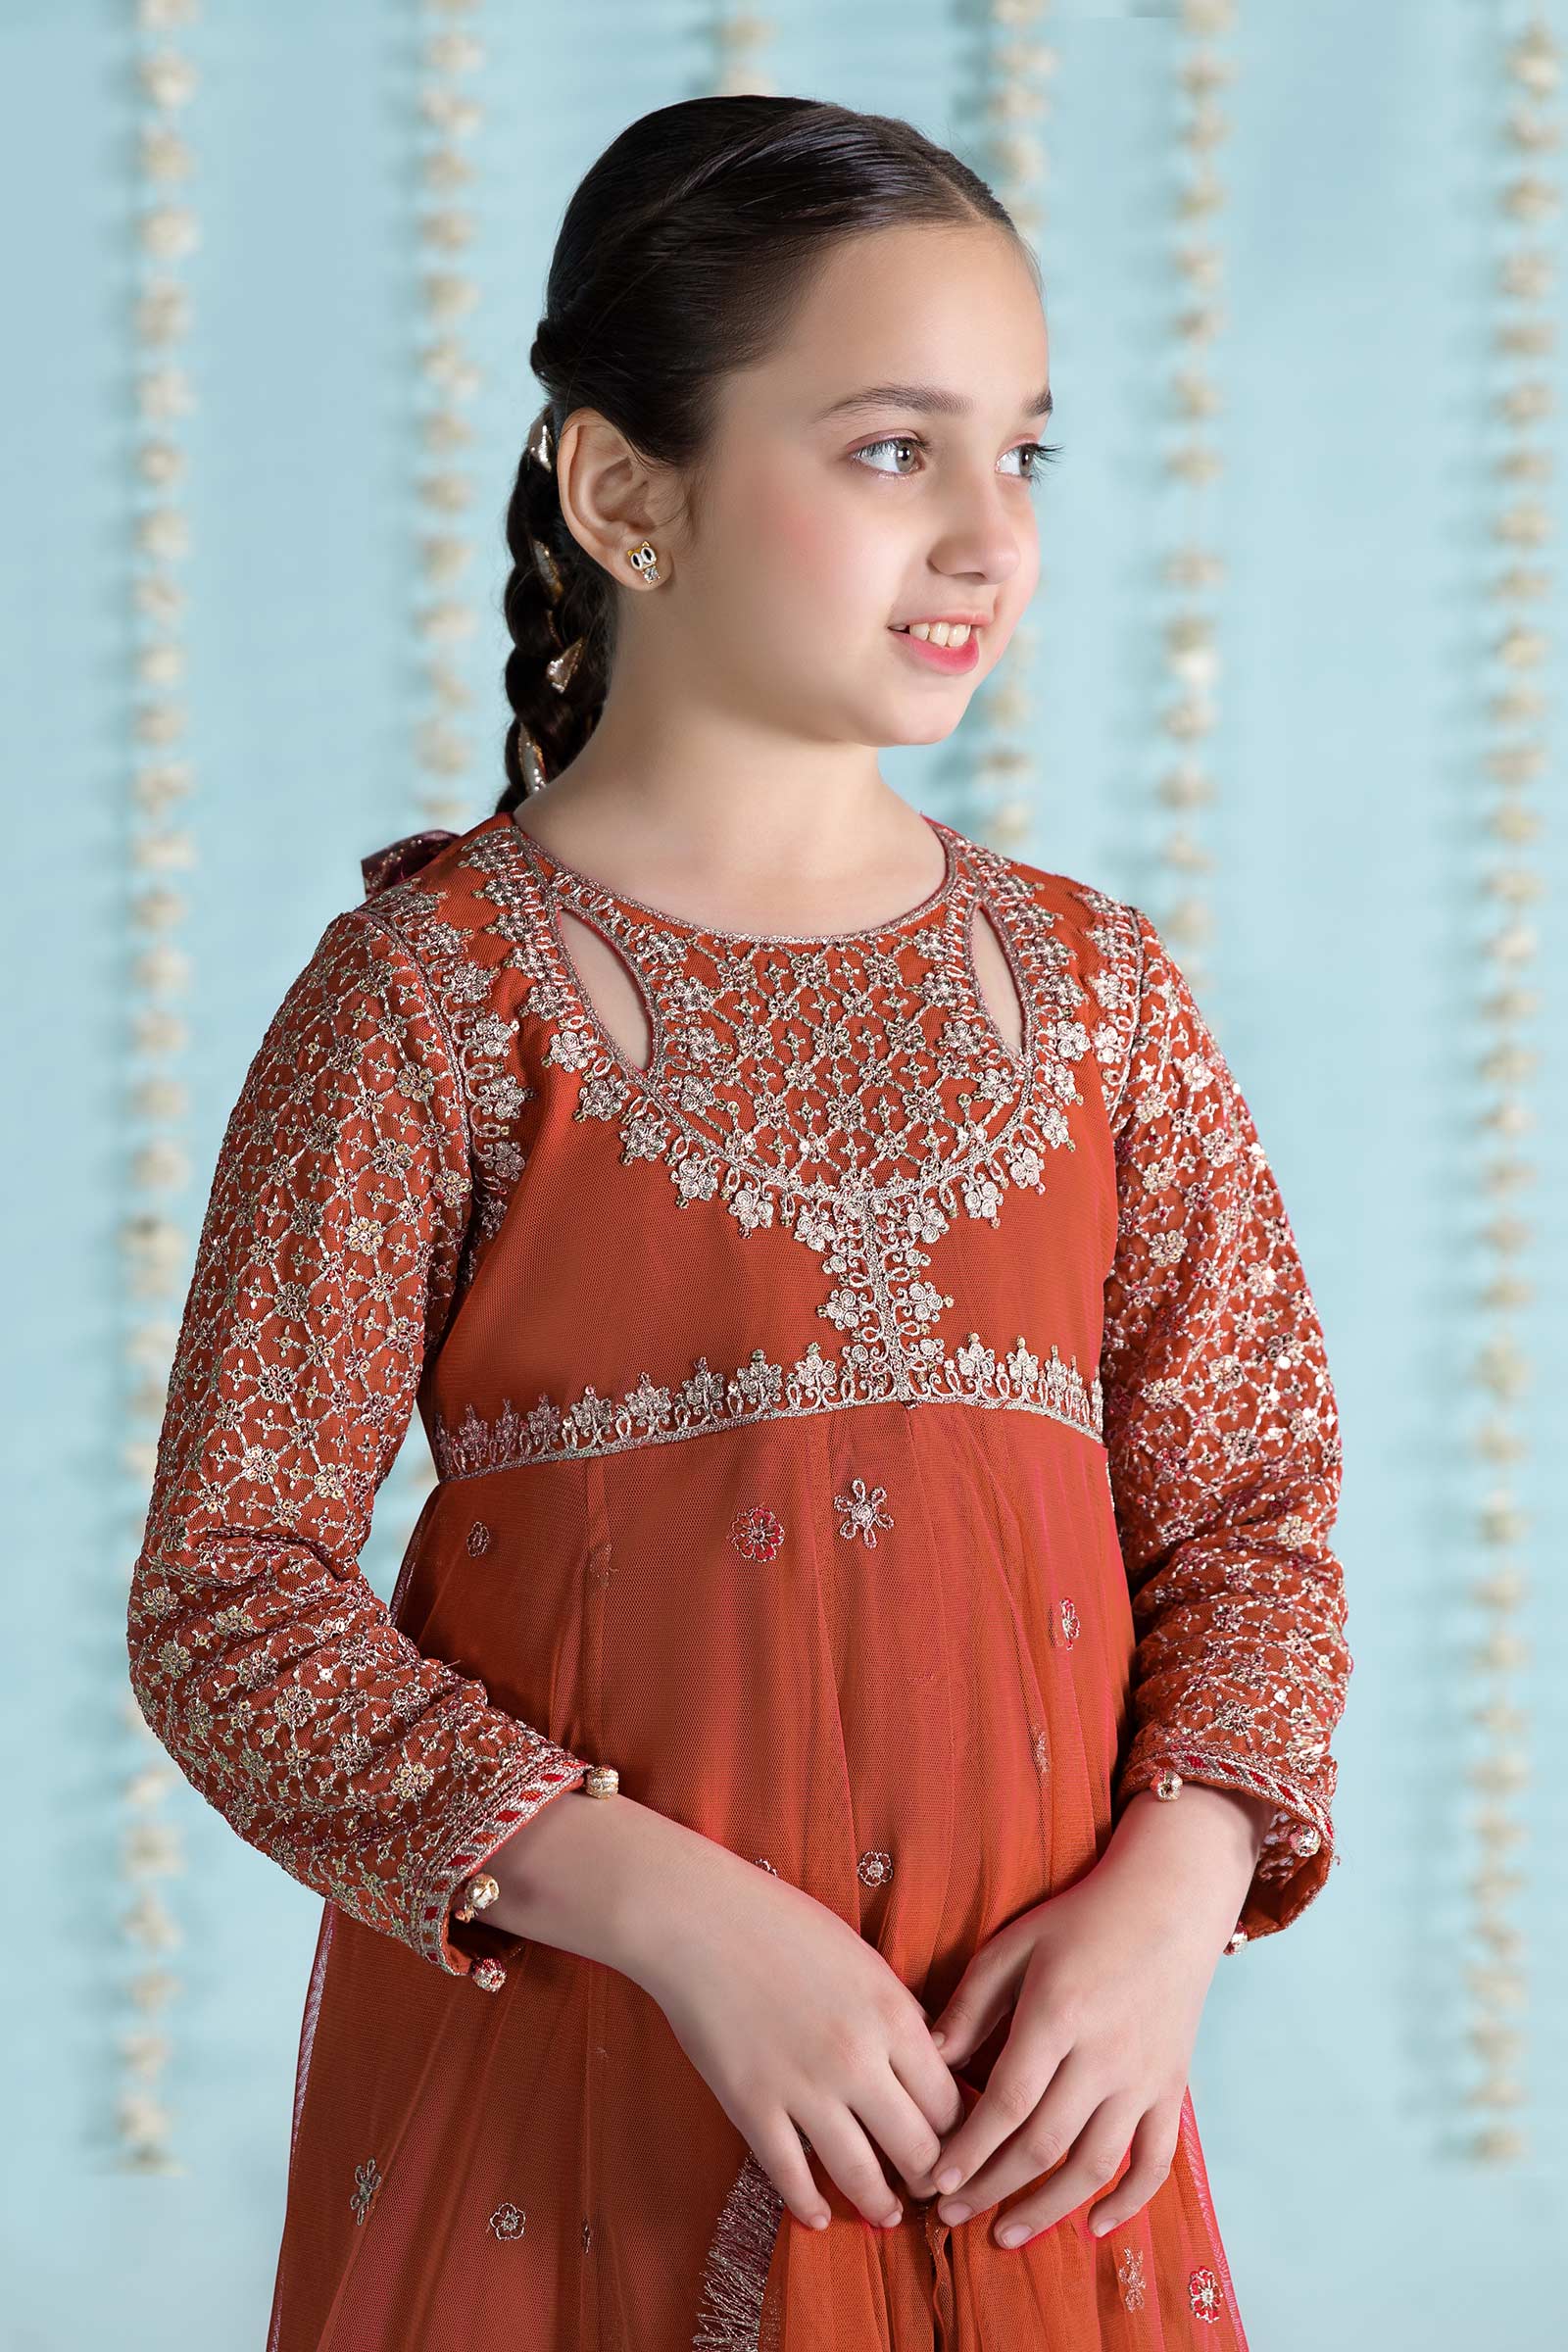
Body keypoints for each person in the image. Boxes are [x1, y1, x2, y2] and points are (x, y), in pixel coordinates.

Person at [126, 92, 1351, 2351]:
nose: (986, 535)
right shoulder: (433, 1000)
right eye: (892, 449)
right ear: (625, 495)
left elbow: (1252, 1514)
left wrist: (1173, 1897)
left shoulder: (1096, 997)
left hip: (1020, 2120)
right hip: (574, 2107)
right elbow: (228, 1598)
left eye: (1023, 454)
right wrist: (679, 1919)